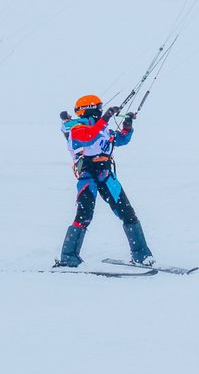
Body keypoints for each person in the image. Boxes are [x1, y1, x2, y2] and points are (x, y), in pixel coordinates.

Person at [54, 94, 153, 268]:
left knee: (128, 214)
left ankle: (141, 255)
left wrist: (128, 125)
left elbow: (122, 139)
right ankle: (68, 257)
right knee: (84, 216)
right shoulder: (76, 129)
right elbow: (89, 137)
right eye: (99, 109)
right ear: (90, 110)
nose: (101, 112)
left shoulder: (103, 129)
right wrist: (106, 117)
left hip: (106, 175)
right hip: (87, 177)